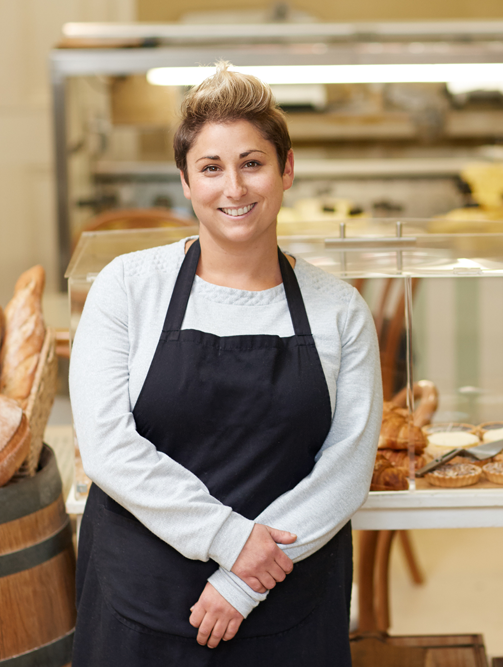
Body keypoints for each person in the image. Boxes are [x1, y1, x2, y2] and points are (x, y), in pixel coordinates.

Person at [69, 63, 383, 665]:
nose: (233, 189)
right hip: (141, 598)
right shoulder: (129, 287)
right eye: (211, 168)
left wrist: (243, 582)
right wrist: (233, 541)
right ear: (186, 182)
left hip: (283, 600)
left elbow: (346, 468)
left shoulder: (339, 310)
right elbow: (107, 446)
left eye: (253, 163)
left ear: (286, 169)